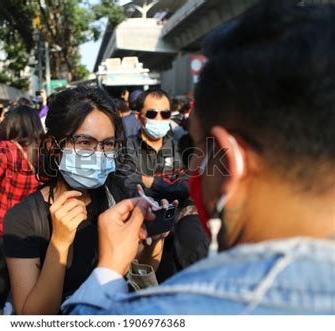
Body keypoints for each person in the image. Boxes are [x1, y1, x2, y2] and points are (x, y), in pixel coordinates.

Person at [62, 1, 335, 314]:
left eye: (199, 150)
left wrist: (107, 273)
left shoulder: (175, 310)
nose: (195, 167)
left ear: (230, 164)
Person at [3, 86, 164, 315]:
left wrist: (154, 240)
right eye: (85, 142)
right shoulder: (24, 219)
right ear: (53, 146)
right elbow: (33, 317)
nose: (98, 154)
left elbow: (138, 274)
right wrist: (59, 243)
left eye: (107, 144)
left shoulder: (117, 197)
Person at [123, 88, 208, 281]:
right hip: (142, 242)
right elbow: (131, 188)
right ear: (139, 116)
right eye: (152, 114)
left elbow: (189, 185)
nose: (159, 118)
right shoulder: (127, 149)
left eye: (165, 114)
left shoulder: (181, 146)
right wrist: (171, 185)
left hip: (178, 242)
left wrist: (152, 181)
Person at [0, 106, 44, 315]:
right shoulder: (44, 148)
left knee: (2, 268)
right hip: (34, 220)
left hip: (4, 218)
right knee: (32, 267)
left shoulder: (7, 148)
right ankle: (24, 308)